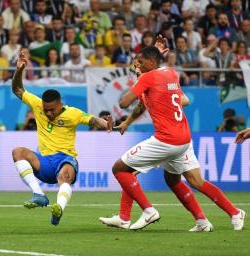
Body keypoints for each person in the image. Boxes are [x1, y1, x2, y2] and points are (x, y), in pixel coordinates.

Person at [101, 43, 245, 231]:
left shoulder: (147, 78)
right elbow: (159, 100)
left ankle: (144, 212)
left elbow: (123, 102)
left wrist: (140, 81)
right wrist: (128, 122)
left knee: (122, 169)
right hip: (183, 139)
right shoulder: (170, 73)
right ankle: (219, 216)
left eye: (140, 63)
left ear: (151, 62)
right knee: (185, 180)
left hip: (166, 140)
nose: (137, 67)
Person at [11, 49, 111, 226]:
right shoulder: (37, 105)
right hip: (43, 162)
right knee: (18, 151)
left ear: (60, 104)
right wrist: (19, 70)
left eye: (52, 109)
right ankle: (39, 195)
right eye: (46, 109)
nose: (48, 113)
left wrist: (107, 124)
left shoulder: (73, 114)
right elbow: (18, 89)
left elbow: (93, 120)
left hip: (65, 159)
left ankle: (58, 208)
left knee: (65, 175)